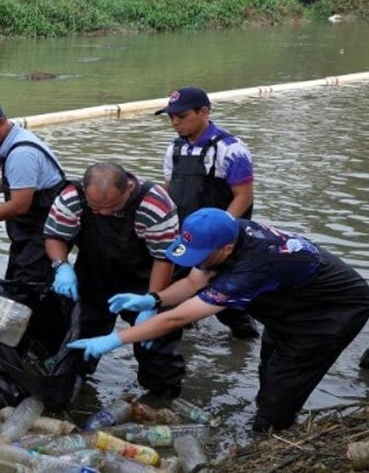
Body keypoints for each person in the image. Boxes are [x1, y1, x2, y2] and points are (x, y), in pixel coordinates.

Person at [69, 208, 369, 432]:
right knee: (269, 369)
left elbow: (178, 319)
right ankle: (270, 417)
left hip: (329, 313)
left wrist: (116, 338)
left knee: (282, 390)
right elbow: (194, 282)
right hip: (291, 305)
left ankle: (269, 435)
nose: (195, 261)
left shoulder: (249, 269)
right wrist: (154, 300)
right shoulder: (226, 232)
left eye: (201, 254)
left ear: (225, 249)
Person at [44, 162, 185, 398]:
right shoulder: (71, 196)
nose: (105, 213)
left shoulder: (155, 204)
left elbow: (164, 258)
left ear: (129, 187)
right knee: (79, 341)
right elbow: (55, 235)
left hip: (145, 279)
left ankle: (162, 400)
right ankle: (73, 393)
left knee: (157, 348)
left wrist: (152, 302)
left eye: (112, 206)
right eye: (96, 208)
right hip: (94, 276)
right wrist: (61, 266)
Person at [157, 86, 260, 340]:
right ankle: (178, 334)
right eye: (171, 117)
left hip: (220, 238)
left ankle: (244, 337)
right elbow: (170, 189)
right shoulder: (175, 149)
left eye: (181, 117)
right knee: (173, 291)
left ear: (204, 112)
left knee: (226, 298)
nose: (175, 123)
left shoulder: (230, 149)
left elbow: (244, 195)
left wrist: (221, 233)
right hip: (186, 235)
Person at [0, 100, 67, 285]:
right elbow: (14, 180)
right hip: (29, 230)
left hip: (42, 230)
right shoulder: (12, 140)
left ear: (1, 122)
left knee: (29, 285)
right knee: (15, 278)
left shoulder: (22, 154)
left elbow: (19, 206)